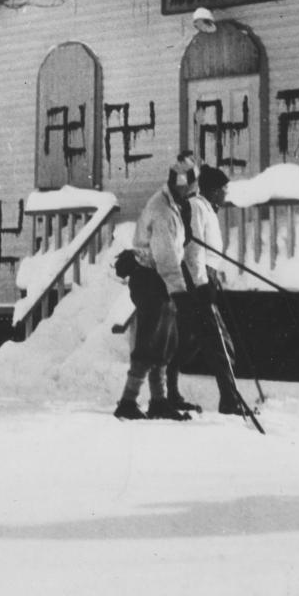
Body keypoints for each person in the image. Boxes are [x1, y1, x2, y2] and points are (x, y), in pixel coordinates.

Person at [113, 154, 201, 421]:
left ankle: (159, 401)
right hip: (151, 278)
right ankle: (127, 402)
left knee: (165, 340)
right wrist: (179, 291)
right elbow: (165, 257)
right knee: (150, 340)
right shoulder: (163, 210)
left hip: (161, 279)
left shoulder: (174, 205)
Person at [166, 163, 242, 415]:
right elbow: (193, 249)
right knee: (221, 342)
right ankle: (230, 401)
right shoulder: (198, 207)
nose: (226, 194)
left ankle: (171, 392)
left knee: (189, 341)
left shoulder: (207, 208)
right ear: (212, 190)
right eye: (223, 189)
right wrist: (202, 284)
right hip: (196, 283)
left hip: (202, 280)